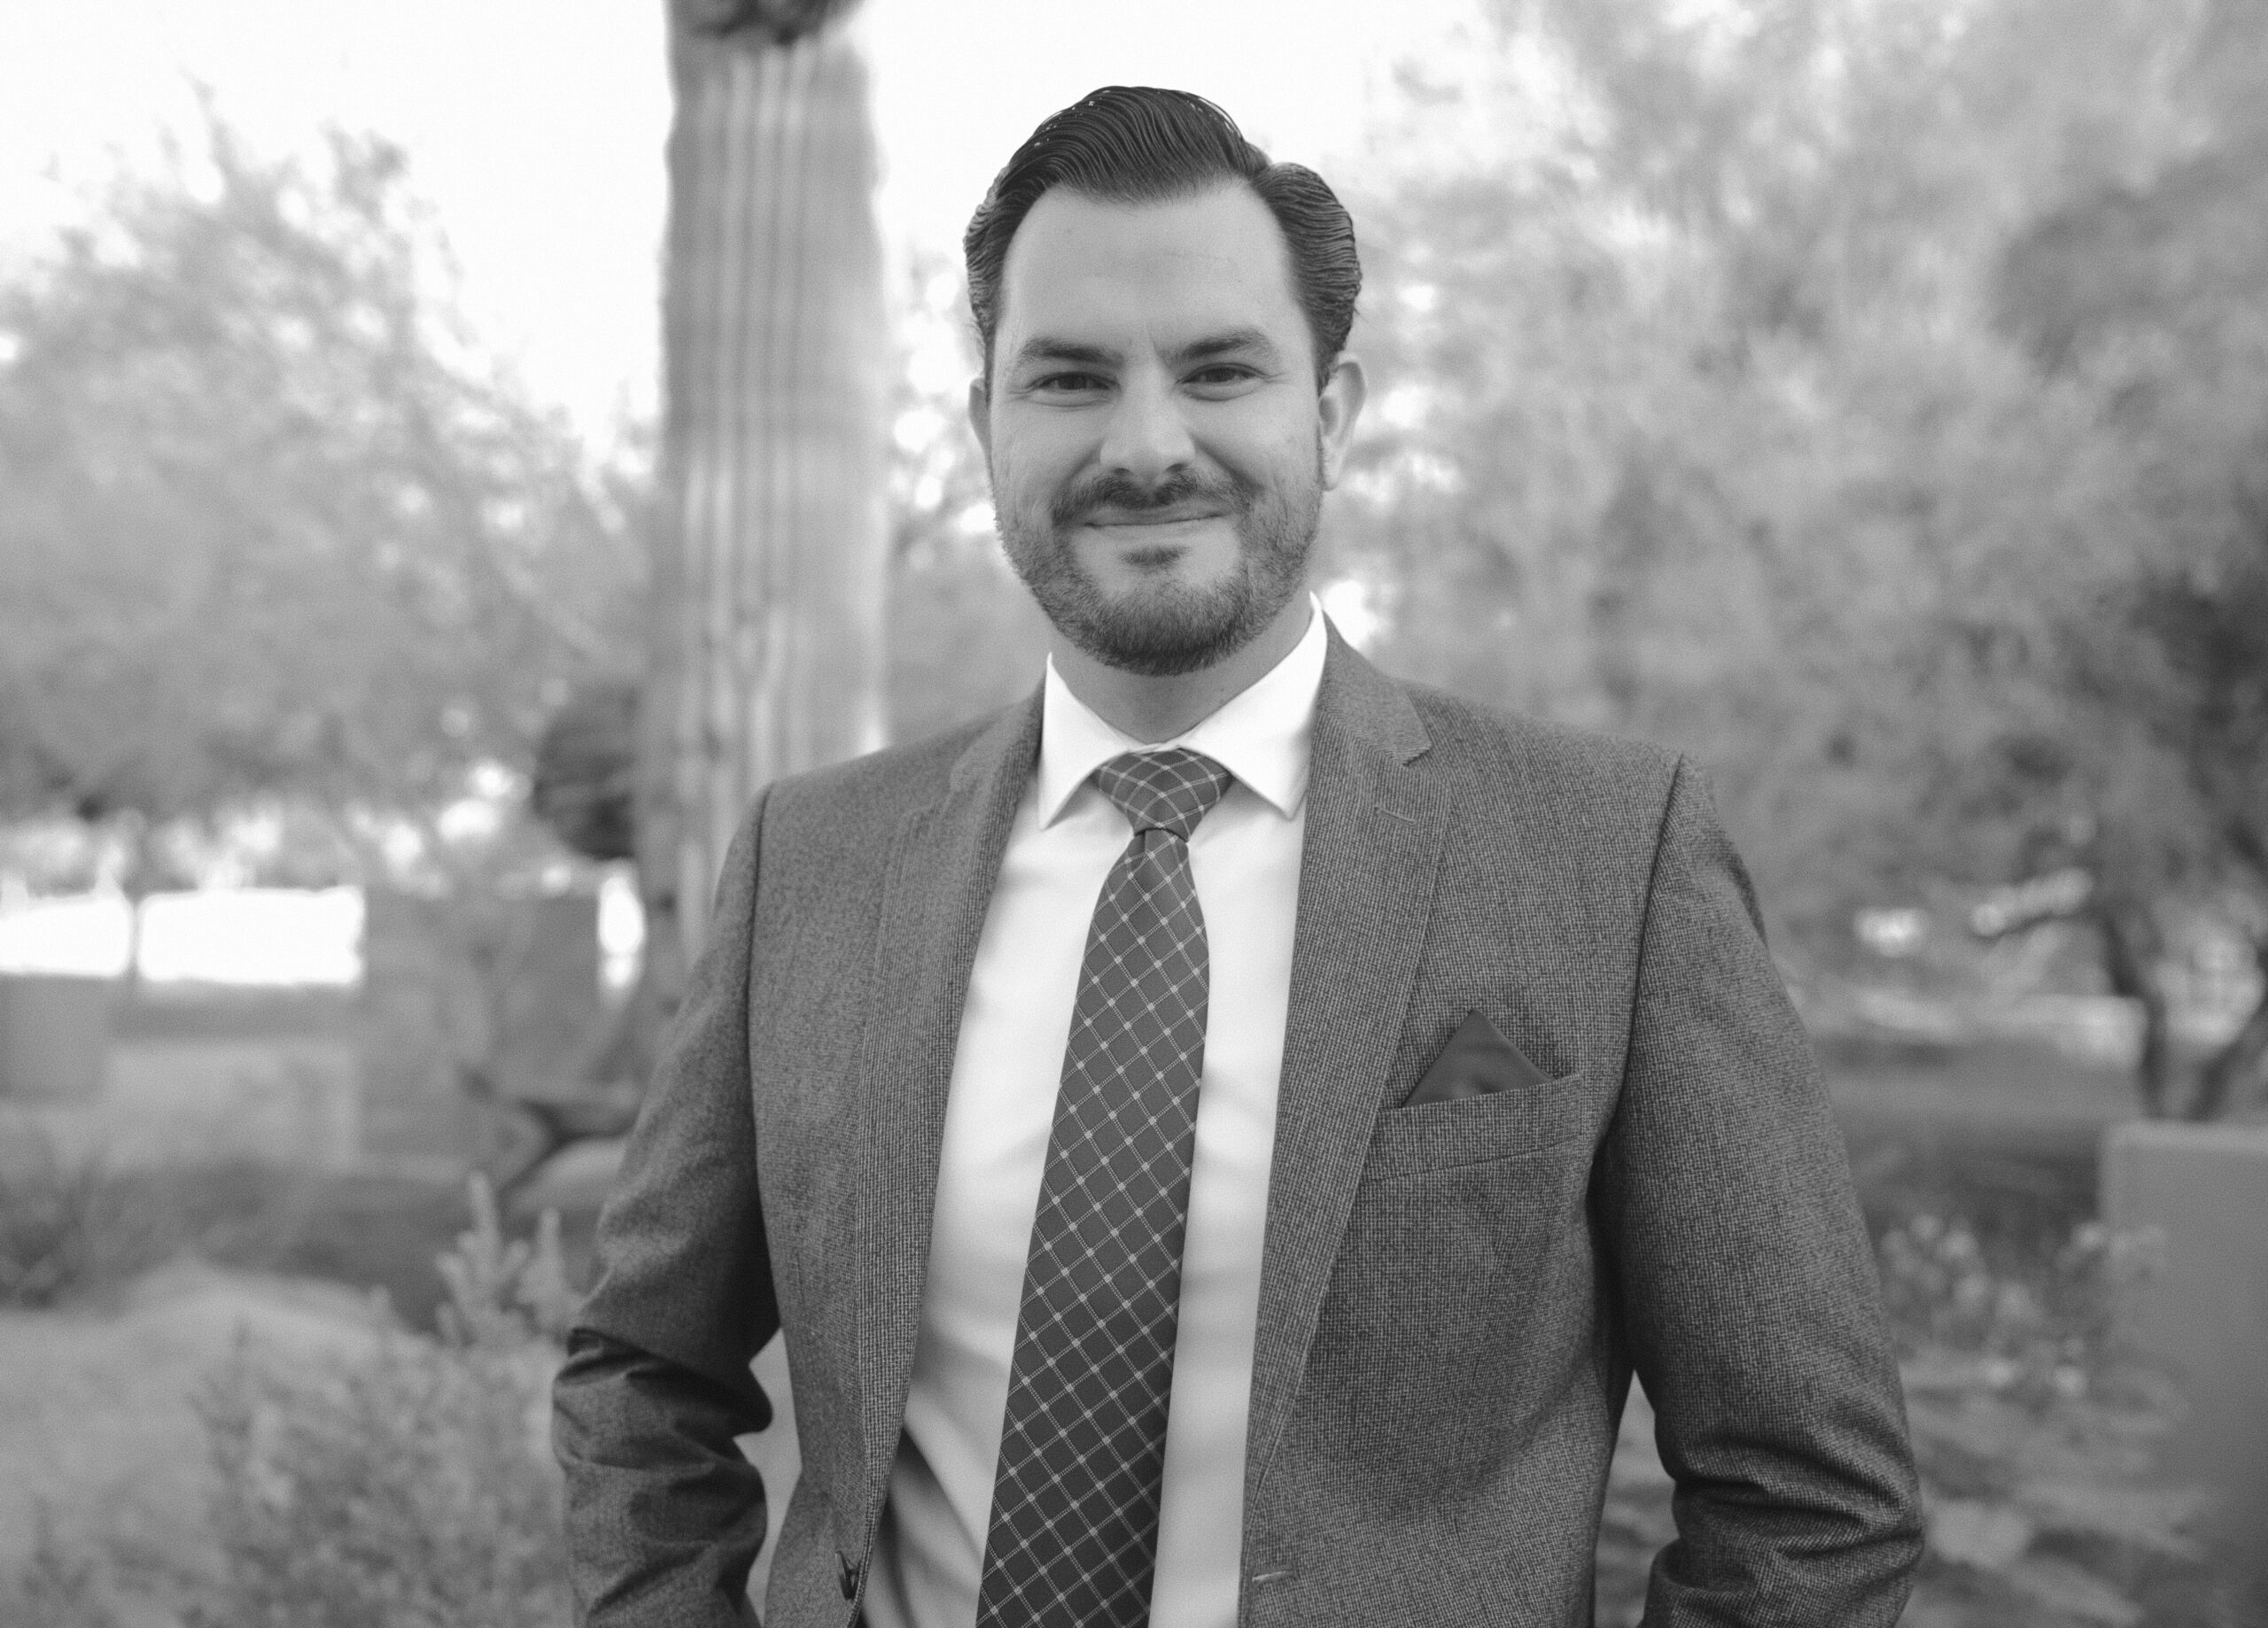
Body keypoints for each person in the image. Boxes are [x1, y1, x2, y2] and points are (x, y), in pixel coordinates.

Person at [554, 86, 1922, 1628]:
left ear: (1329, 415)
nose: (1148, 446)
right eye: (1069, 378)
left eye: (1219, 371)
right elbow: (641, 1373)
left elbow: (1811, 1493)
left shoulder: (1606, 858)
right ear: (987, 421)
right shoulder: (815, 862)